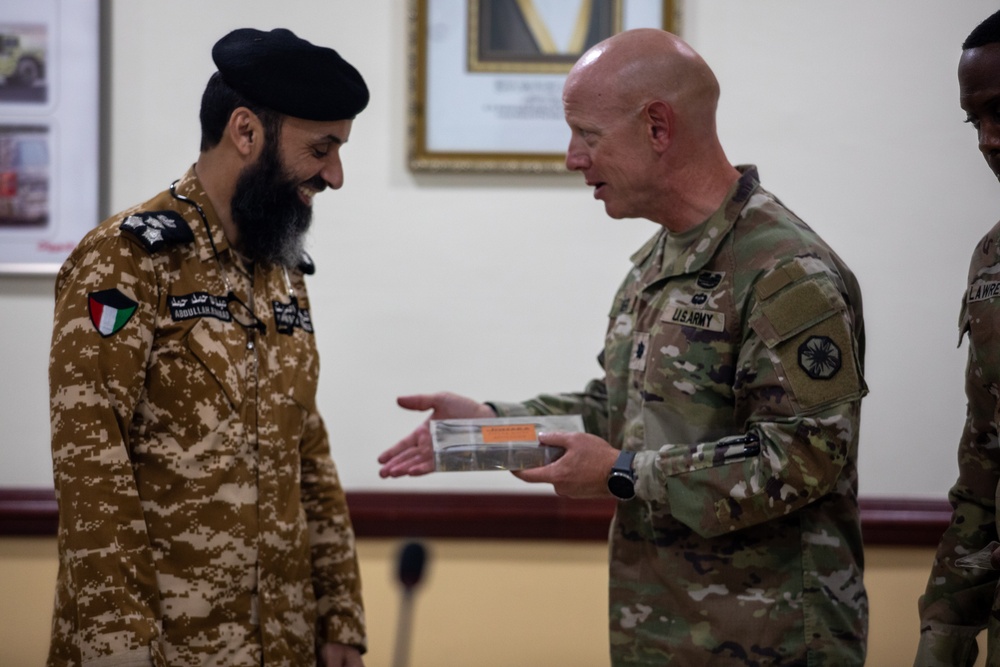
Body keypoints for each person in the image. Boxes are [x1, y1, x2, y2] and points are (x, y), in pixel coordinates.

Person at [379, 28, 868, 665]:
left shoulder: (785, 274)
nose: (571, 159)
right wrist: (489, 429)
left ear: (657, 127)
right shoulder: (657, 263)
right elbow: (621, 413)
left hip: (769, 641)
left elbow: (804, 457)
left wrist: (619, 473)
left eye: (586, 135)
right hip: (660, 634)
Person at [47, 28, 368, 667]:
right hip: (165, 646)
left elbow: (307, 449)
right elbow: (91, 464)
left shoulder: (279, 268)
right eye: (321, 148)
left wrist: (340, 618)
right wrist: (119, 649)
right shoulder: (128, 260)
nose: (334, 174)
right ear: (246, 132)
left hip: (284, 642)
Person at [916, 10, 1000, 667]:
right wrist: (944, 629)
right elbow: (983, 458)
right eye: (976, 121)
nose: (990, 139)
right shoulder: (992, 259)